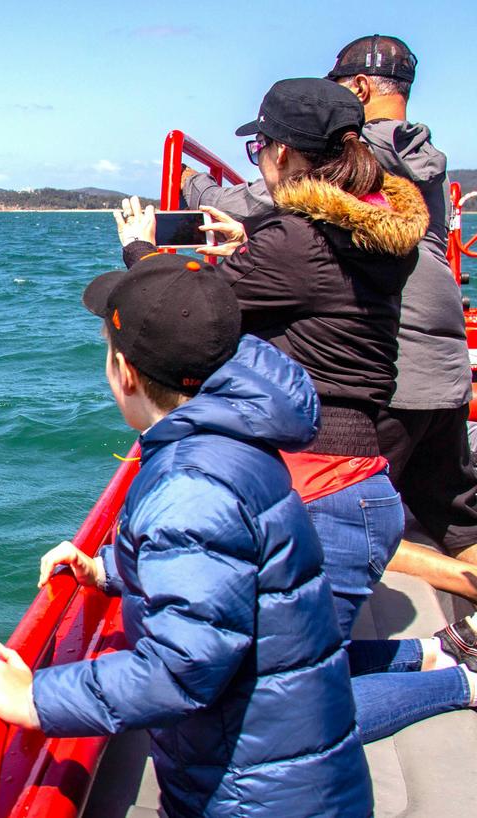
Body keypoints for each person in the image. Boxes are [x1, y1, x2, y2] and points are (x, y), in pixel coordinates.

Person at [0, 253, 371, 817]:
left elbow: (182, 667)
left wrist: (35, 697)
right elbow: (224, 570)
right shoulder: (230, 435)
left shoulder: (189, 486)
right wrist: (110, 569)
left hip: (252, 793)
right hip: (287, 765)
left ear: (125, 373)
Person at [121, 77, 428, 637]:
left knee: (285, 701)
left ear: (280, 151)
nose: (258, 157)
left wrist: (140, 251)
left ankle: (455, 681)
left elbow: (184, 312)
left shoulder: (295, 241)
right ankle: (433, 660)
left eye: (257, 146)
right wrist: (251, 244)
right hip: (356, 472)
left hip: (320, 484)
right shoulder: (368, 233)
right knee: (291, 671)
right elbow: (318, 287)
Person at [183, 36, 477, 603]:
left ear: (360, 91)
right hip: (446, 359)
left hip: (397, 363)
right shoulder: (420, 166)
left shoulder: (350, 155)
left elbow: (263, 214)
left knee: (353, 515)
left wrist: (191, 194)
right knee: (455, 519)